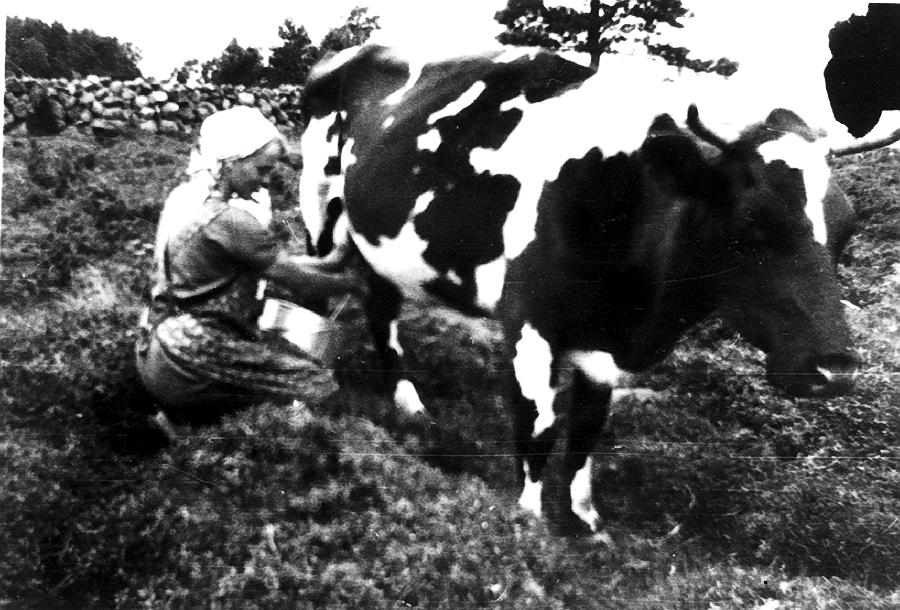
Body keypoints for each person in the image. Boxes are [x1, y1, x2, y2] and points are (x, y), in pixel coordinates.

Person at [135, 106, 364, 426]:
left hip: (157, 345)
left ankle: (184, 419)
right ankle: (275, 442)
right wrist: (356, 284)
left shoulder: (186, 200)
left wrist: (332, 261)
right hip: (187, 358)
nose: (266, 181)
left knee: (262, 362)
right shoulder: (232, 220)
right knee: (317, 382)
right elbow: (299, 281)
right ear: (231, 162)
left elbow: (269, 264)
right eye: (262, 169)